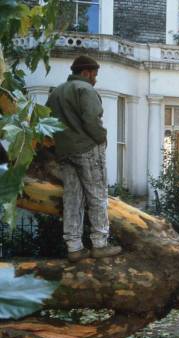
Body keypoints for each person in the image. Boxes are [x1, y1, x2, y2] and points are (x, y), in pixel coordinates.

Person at [46, 55, 122, 262]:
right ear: (86, 72)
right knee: (97, 195)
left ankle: (74, 247)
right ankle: (100, 244)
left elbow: (48, 123)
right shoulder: (85, 89)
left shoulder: (56, 93)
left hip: (64, 152)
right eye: (94, 75)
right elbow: (92, 120)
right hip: (87, 148)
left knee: (72, 198)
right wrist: (101, 139)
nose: (95, 79)